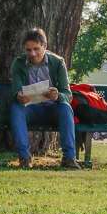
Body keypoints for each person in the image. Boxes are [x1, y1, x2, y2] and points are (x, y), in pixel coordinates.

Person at [10, 27, 81, 169]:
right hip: (30, 109)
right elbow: (16, 90)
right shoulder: (19, 63)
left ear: (45, 46)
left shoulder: (57, 62)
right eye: (28, 50)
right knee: (16, 109)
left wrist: (57, 96)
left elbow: (68, 95)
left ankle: (69, 158)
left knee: (65, 108)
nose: (32, 53)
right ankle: (24, 158)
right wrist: (19, 96)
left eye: (36, 49)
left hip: (52, 109)